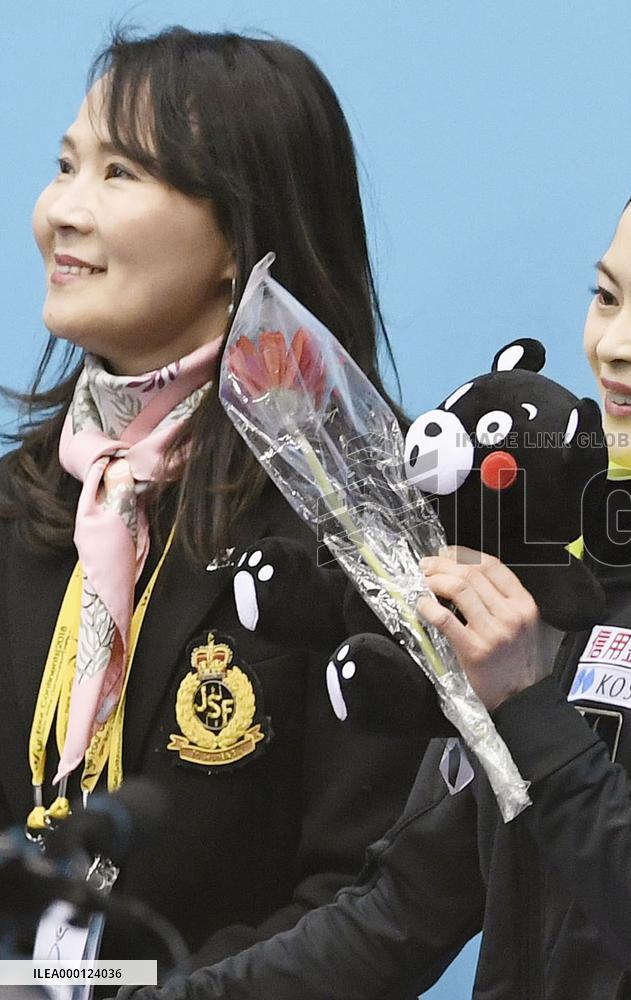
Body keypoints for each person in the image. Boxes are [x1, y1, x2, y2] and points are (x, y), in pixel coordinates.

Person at [123, 139, 631, 999]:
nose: (611, 345)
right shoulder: (551, 578)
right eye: (605, 297)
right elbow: (400, 913)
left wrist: (527, 705)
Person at [0, 26, 430, 971]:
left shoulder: (361, 516)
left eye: (119, 174)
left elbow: (371, 894)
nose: (62, 210)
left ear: (238, 235)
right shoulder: (21, 499)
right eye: (65, 166)